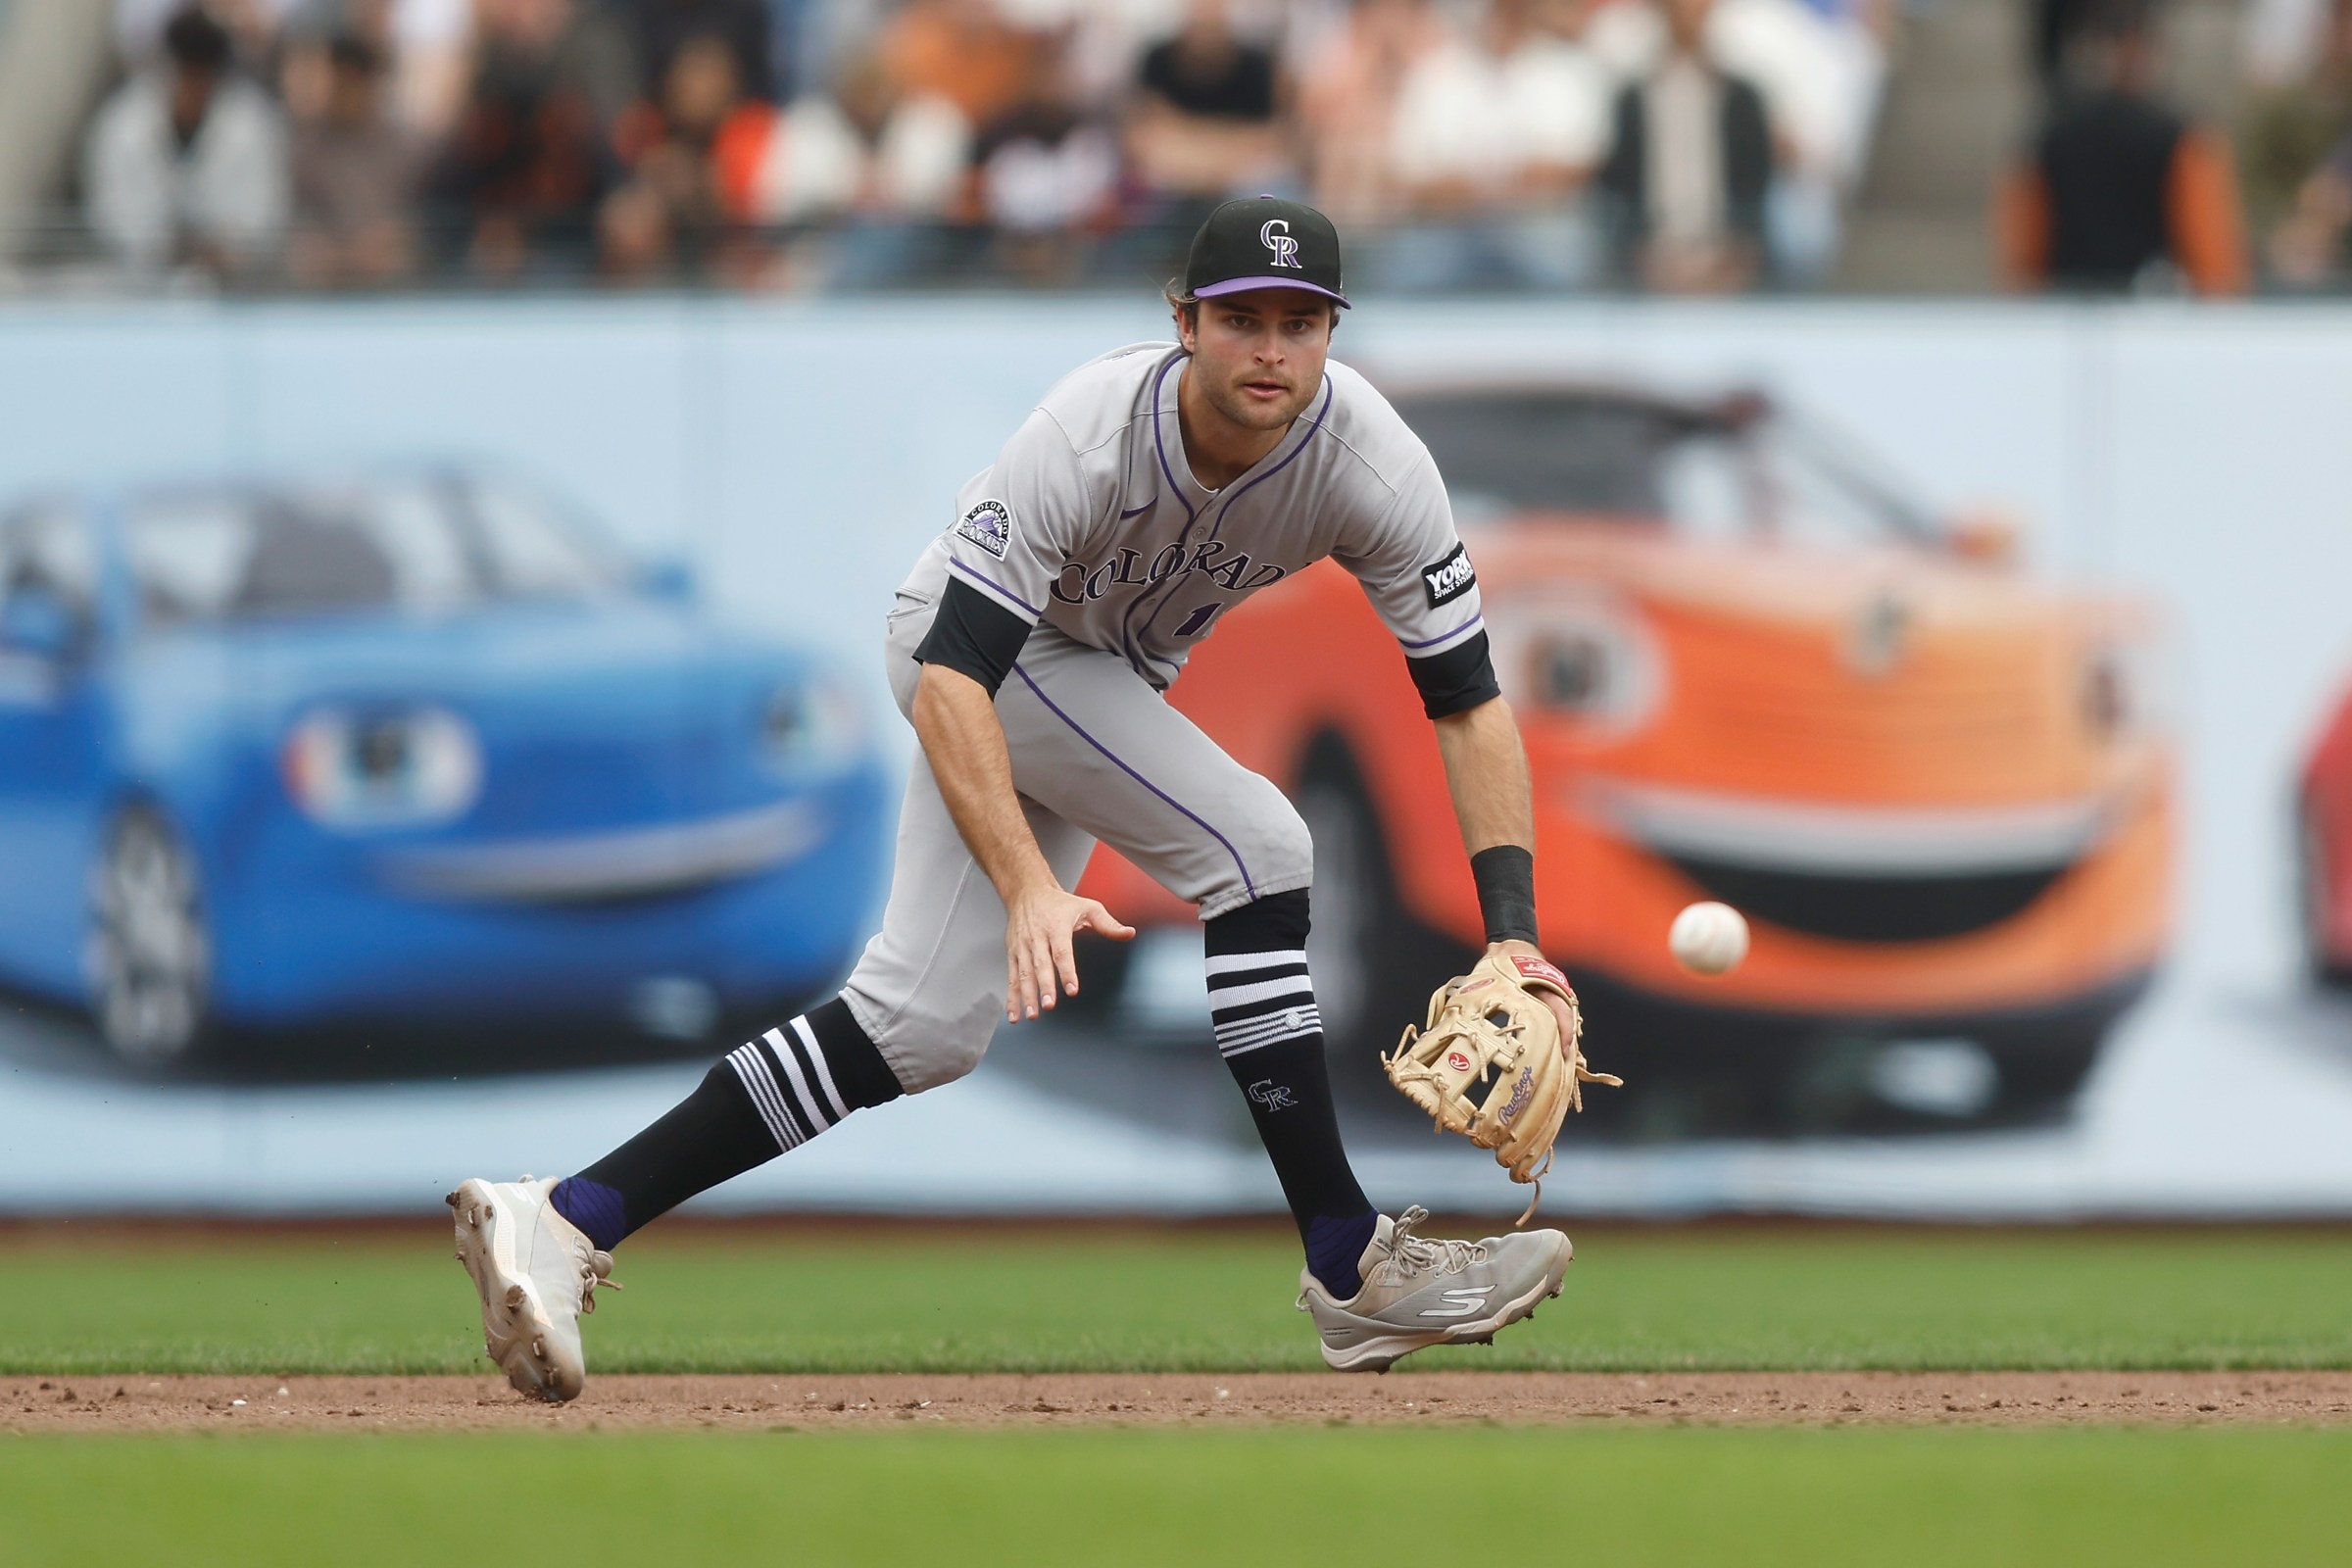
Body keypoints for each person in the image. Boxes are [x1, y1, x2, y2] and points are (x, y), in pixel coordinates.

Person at [449, 196, 1588, 1401]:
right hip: (971, 659)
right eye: (1240, 318)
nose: (1271, 349)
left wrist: (1513, 934)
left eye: (1301, 323)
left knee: (920, 1026)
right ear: (1182, 323)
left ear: (1331, 336)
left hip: (1097, 681)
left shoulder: (1372, 463)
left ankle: (569, 1215)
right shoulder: (1095, 428)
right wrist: (1028, 884)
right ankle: (1350, 1263)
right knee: (1259, 850)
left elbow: (1465, 699)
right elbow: (951, 677)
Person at [1995, 0, 2249, 295]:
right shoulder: (2183, 138)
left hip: (2069, 313)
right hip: (2157, 316)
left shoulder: (2050, 137)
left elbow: (2022, 259)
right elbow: (2211, 255)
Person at [83, 5, 291, 281]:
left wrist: (220, 247)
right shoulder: (124, 126)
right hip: (138, 289)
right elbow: (110, 216)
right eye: (186, 77)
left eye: (202, 79)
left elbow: (263, 216)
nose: (193, 89)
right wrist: (165, 247)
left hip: (233, 291)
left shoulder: (252, 125)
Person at [1596, 0, 1774, 293]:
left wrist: (1733, 258)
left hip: (1728, 262)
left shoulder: (1743, 98)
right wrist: (1646, 259)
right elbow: (1619, 191)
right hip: (1649, 264)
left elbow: (1754, 190)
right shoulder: (1632, 98)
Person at [287, 32, 421, 288]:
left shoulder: (407, 148)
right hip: (324, 295)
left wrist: (395, 242)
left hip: (395, 297)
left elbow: (424, 228)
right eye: (338, 81)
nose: (344, 93)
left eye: (353, 83)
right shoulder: (306, 149)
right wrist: (322, 251)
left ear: (371, 84)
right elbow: (296, 228)